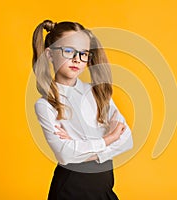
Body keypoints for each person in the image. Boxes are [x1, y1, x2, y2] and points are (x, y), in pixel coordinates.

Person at [32, 19, 133, 200]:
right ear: (50, 54)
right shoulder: (46, 104)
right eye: (69, 50)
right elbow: (65, 155)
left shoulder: (97, 92)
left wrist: (78, 146)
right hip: (70, 190)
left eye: (83, 53)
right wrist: (108, 139)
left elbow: (127, 140)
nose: (77, 59)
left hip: (103, 188)